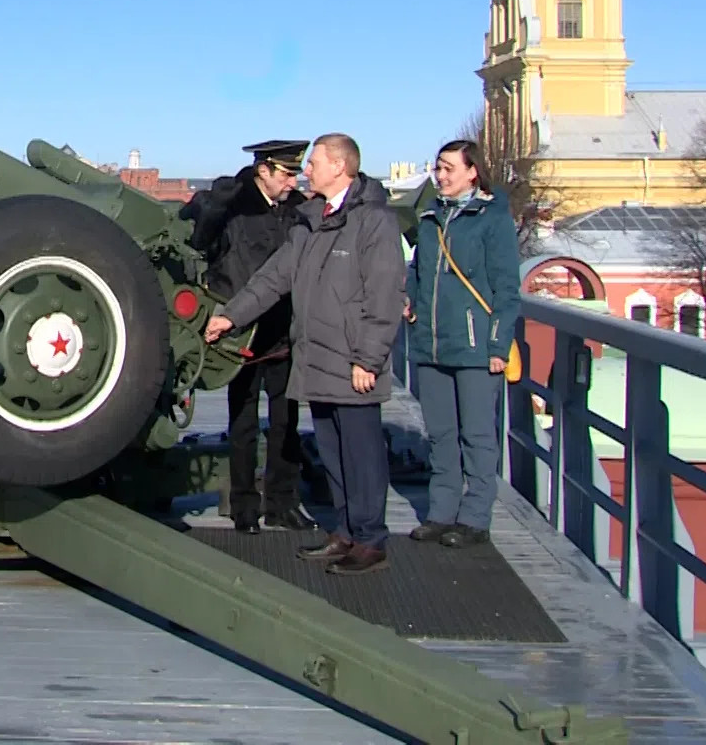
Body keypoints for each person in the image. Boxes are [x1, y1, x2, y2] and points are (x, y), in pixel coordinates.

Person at [204, 133, 407, 576]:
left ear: (339, 167)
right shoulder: (310, 221)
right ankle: (347, 533)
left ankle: (370, 540)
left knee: (362, 455)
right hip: (317, 359)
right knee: (334, 454)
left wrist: (368, 361)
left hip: (353, 362)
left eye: (314, 163)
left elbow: (385, 296)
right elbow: (273, 277)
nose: (306, 171)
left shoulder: (374, 222)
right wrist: (230, 317)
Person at [179, 139, 316, 534]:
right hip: (239, 332)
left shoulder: (295, 210)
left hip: (284, 331)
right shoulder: (232, 205)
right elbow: (197, 244)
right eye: (287, 174)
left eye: (296, 173)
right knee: (242, 423)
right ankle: (243, 505)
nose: (293, 181)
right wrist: (210, 211)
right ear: (264, 171)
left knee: (285, 421)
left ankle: (282, 502)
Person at [402, 139, 521, 549]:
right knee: (441, 433)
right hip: (432, 344)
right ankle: (441, 512)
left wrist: (496, 346)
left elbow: (506, 289)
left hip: (474, 347)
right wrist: (410, 301)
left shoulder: (491, 219)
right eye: (438, 168)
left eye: (449, 168)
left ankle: (475, 517)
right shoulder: (432, 217)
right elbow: (417, 271)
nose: (441, 175)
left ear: (472, 172)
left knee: (476, 434)